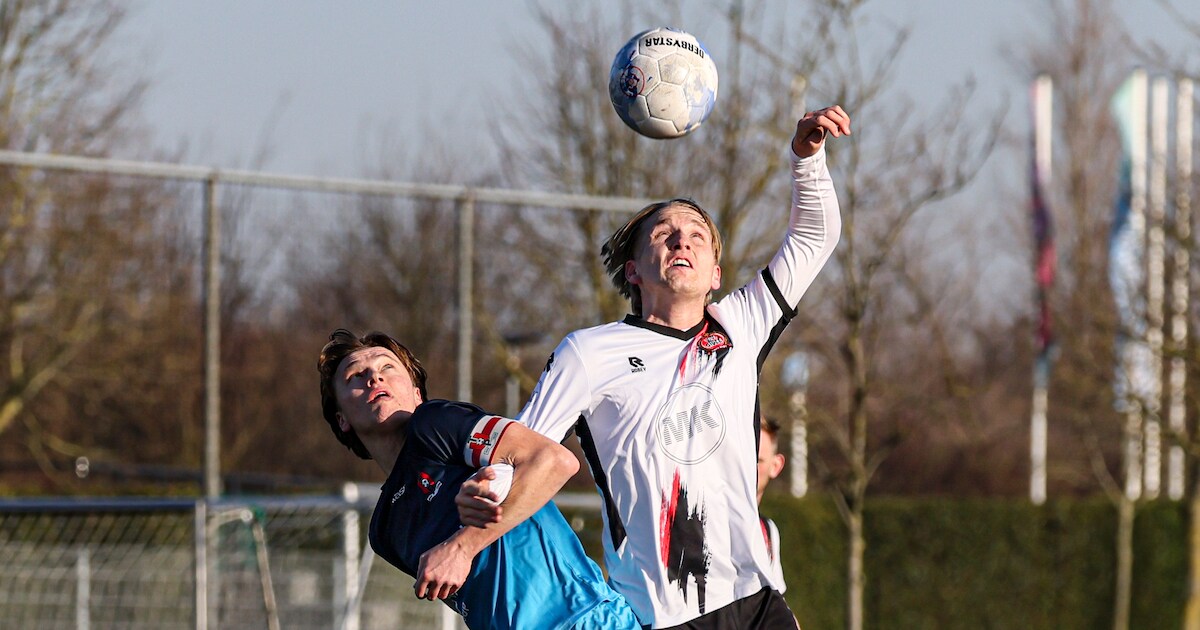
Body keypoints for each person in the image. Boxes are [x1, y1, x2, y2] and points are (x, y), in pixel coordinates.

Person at [459, 106, 849, 629]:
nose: (681, 239)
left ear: (715, 272)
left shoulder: (739, 325)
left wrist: (807, 157)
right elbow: (525, 446)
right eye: (664, 234)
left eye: (696, 234)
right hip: (662, 616)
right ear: (634, 269)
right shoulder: (590, 353)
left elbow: (813, 239)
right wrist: (484, 490)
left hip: (758, 603)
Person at [317, 328, 639, 630]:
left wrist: (462, 545)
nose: (374, 376)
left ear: (416, 393)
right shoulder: (385, 530)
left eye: (387, 367)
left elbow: (554, 460)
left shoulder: (434, 423)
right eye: (356, 376)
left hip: (580, 619)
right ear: (341, 419)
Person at [757, 416, 787, 593]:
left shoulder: (768, 530)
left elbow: (776, 602)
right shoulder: (706, 522)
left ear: (776, 466)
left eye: (758, 460)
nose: (748, 468)